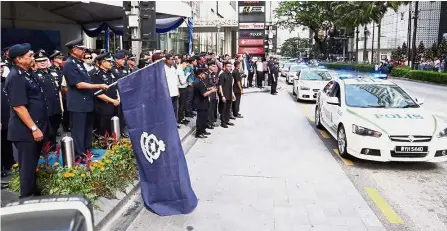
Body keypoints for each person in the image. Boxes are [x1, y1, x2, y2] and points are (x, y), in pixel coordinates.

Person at [5, 43, 49, 198]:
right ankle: (27, 197)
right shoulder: (16, 76)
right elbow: (18, 106)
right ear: (18, 59)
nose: (33, 58)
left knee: (32, 164)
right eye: (29, 56)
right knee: (27, 166)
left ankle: (31, 191)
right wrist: (33, 128)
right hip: (25, 131)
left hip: (33, 128)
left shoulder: (26, 73)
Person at [62, 38, 108, 161]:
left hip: (87, 102)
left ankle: (87, 151)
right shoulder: (69, 64)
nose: (83, 51)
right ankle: (79, 154)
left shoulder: (79, 63)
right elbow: (79, 84)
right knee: (78, 130)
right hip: (78, 104)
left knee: (87, 129)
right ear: (74, 50)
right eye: (81, 49)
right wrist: (98, 86)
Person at [32, 50, 63, 151]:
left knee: (54, 129)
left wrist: (61, 106)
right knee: (46, 131)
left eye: (44, 60)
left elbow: (58, 91)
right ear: (35, 62)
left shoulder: (52, 73)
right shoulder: (34, 75)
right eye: (39, 61)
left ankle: (53, 149)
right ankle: (45, 152)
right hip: (45, 108)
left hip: (55, 107)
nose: (42, 62)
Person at [91, 53, 120, 136]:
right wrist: (112, 101)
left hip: (114, 105)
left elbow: (116, 87)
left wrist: (118, 98)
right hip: (104, 107)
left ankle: (114, 146)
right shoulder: (96, 75)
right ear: (103, 63)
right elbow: (98, 93)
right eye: (109, 61)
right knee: (104, 130)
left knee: (114, 129)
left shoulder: (112, 73)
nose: (111, 63)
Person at [193, 69, 217, 138]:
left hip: (204, 102)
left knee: (204, 117)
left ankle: (203, 130)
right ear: (200, 74)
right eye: (203, 73)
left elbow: (203, 89)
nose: (205, 75)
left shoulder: (201, 81)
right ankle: (199, 133)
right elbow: (204, 94)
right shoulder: (198, 82)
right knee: (200, 118)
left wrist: (209, 88)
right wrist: (212, 91)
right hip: (200, 103)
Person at [1, 59, 15, 178]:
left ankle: (9, 164)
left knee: (7, 142)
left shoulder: (4, 81)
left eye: (2, 67)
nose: (1, 69)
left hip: (7, 118)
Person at [164, 54, 180, 128]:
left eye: (173, 59)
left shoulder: (173, 68)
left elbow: (176, 80)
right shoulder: (163, 69)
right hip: (168, 92)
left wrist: (178, 90)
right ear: (166, 60)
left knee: (175, 108)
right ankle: (168, 123)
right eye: (170, 59)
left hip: (175, 91)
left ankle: (175, 122)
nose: (172, 61)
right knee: (168, 109)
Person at [218, 61, 236, 128]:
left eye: (230, 66)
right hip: (224, 94)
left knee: (228, 108)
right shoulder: (222, 75)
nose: (229, 67)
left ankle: (227, 120)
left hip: (229, 94)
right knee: (223, 109)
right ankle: (223, 122)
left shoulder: (230, 75)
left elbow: (231, 86)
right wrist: (222, 95)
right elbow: (220, 86)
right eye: (228, 66)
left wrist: (233, 94)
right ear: (225, 67)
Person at [205, 61, 219, 127]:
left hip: (214, 93)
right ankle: (208, 122)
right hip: (209, 93)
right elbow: (205, 85)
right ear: (209, 66)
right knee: (209, 108)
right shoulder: (206, 74)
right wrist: (210, 88)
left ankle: (212, 121)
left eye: (214, 66)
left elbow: (215, 83)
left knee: (213, 107)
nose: (214, 67)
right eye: (213, 66)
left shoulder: (214, 74)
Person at [177, 58, 190, 125]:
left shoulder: (181, 70)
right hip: (182, 89)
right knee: (181, 105)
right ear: (183, 63)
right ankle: (180, 119)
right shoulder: (180, 71)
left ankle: (182, 118)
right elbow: (182, 82)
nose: (186, 66)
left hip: (183, 88)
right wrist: (187, 75)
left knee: (183, 104)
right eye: (186, 65)